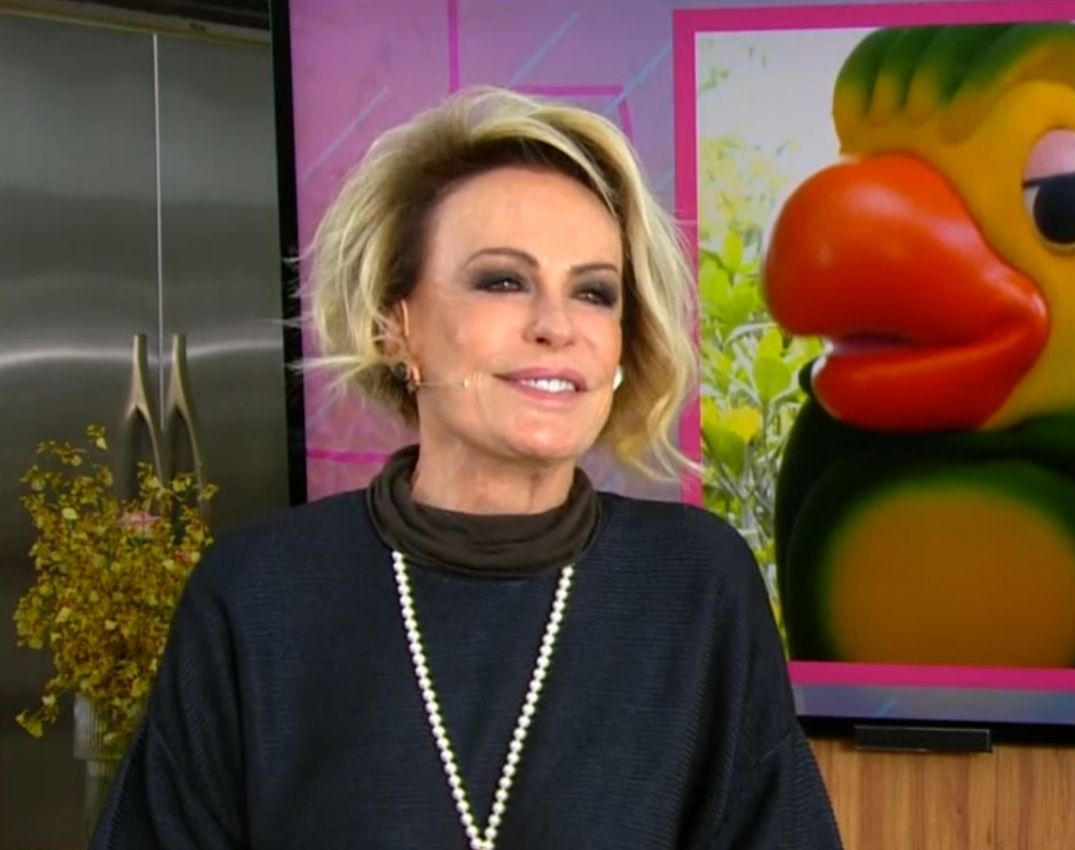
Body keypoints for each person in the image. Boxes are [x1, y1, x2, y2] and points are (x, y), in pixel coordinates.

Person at [89, 85, 844, 849]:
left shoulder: (698, 583)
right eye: (503, 281)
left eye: (594, 292)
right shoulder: (258, 595)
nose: (557, 326)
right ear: (394, 327)